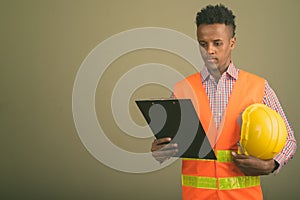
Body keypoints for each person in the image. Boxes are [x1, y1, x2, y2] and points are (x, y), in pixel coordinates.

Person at [151, 4, 297, 200]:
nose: (209, 51)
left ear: (232, 43)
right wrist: (159, 152)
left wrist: (272, 165)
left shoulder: (259, 86)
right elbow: (169, 146)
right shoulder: (181, 89)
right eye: (203, 44)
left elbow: (289, 141)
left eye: (217, 43)